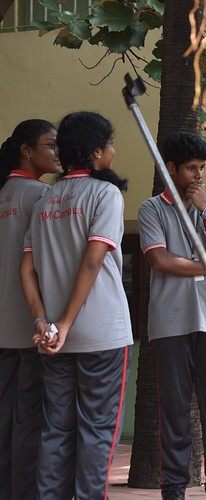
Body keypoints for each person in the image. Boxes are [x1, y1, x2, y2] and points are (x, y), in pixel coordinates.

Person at [19, 111, 133, 499]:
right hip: (101, 335)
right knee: (97, 432)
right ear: (96, 152)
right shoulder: (106, 194)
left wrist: (43, 321)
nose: (113, 152)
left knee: (56, 430)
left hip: (54, 338)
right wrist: (67, 322)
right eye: (110, 145)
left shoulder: (45, 200)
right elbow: (92, 261)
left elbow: (26, 269)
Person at [137, 131, 206, 500]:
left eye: (202, 168)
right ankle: (174, 489)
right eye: (191, 168)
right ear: (171, 168)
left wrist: (205, 211)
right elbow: (159, 259)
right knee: (175, 413)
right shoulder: (151, 209)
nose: (199, 175)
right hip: (171, 325)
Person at [0, 119, 60, 499]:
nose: (57, 152)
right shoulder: (41, 196)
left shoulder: (4, 193)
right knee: (30, 423)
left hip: (4, 331)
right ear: (26, 150)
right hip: (31, 328)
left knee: (5, 420)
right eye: (50, 145)